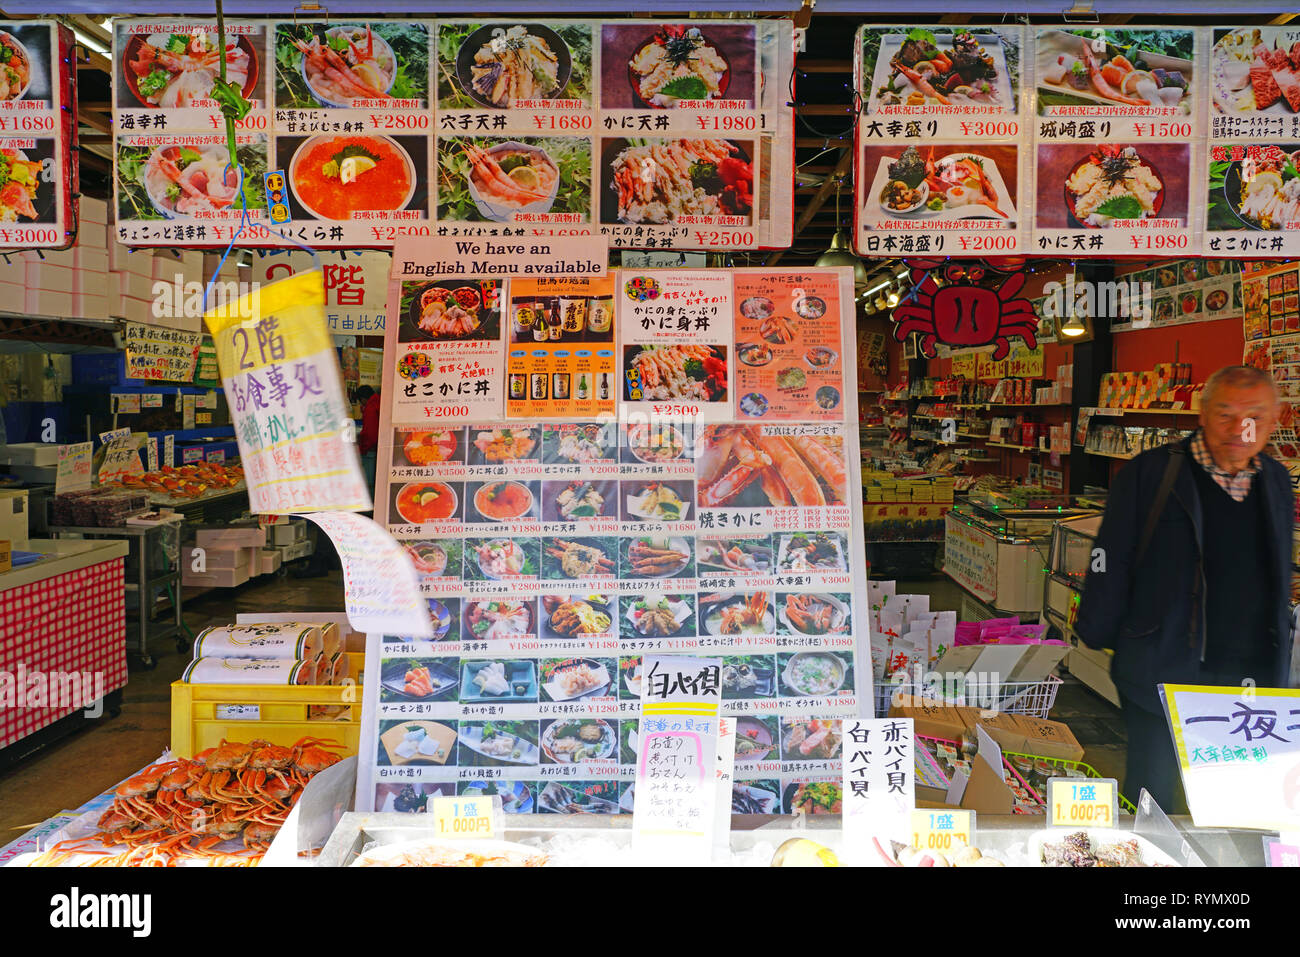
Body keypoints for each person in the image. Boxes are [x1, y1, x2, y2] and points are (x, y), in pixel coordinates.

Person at [1077, 365, 1295, 812]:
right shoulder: (1151, 473)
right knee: (1152, 800)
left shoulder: (1275, 478)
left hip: (1249, 678)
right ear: (1202, 413)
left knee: (1233, 808)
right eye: (1225, 414)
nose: (1240, 428)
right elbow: (1110, 557)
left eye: (1255, 414)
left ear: (1276, 419)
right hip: (1162, 668)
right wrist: (1102, 635)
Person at [356, 385, 380, 496]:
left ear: (363, 398)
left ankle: (369, 509)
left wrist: (364, 448)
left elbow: (370, 434)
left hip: (371, 450)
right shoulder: (380, 402)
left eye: (361, 401)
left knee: (369, 481)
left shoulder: (370, 408)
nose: (361, 404)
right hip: (379, 448)